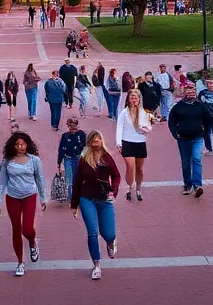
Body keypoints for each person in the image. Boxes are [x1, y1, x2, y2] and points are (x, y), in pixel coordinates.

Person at [0, 131, 48, 277]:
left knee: (27, 229)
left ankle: (32, 243)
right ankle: (20, 262)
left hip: (29, 195)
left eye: (22, 144)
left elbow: (40, 178)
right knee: (16, 228)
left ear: (27, 145)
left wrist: (43, 198)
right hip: (12, 197)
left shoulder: (34, 160)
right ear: (13, 146)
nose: (20, 147)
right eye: (17, 145)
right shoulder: (7, 161)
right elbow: (2, 181)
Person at [70, 129, 121, 280]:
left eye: (98, 140)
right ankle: (96, 264)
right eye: (93, 140)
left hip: (105, 199)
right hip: (87, 199)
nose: (96, 143)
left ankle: (110, 242)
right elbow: (77, 181)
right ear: (89, 142)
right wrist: (74, 204)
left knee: (108, 233)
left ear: (102, 141)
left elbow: (116, 176)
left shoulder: (106, 157)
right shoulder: (84, 158)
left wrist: (113, 191)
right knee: (92, 232)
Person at [169, 82, 206, 197]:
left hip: (197, 137)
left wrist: (204, 131)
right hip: (183, 139)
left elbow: (207, 119)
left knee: (196, 159)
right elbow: (171, 122)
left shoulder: (200, 105)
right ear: (185, 93)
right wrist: (175, 134)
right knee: (186, 162)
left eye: (193, 92)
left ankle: (197, 185)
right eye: (188, 92)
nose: (191, 94)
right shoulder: (178, 107)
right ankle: (188, 184)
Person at [115, 89, 152, 201]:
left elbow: (149, 126)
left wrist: (145, 129)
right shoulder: (124, 113)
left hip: (140, 142)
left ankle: (138, 188)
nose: (134, 100)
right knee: (130, 167)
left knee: (139, 168)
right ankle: (129, 187)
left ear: (139, 99)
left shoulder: (144, 112)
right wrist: (119, 143)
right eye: (132, 97)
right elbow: (119, 127)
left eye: (136, 98)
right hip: (127, 142)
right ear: (128, 99)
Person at [58, 116, 86, 202]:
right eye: (70, 128)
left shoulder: (81, 134)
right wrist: (59, 162)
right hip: (68, 159)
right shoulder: (65, 136)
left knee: (77, 178)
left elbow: (85, 147)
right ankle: (72, 198)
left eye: (74, 128)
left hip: (78, 158)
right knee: (69, 180)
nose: (73, 130)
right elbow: (61, 148)